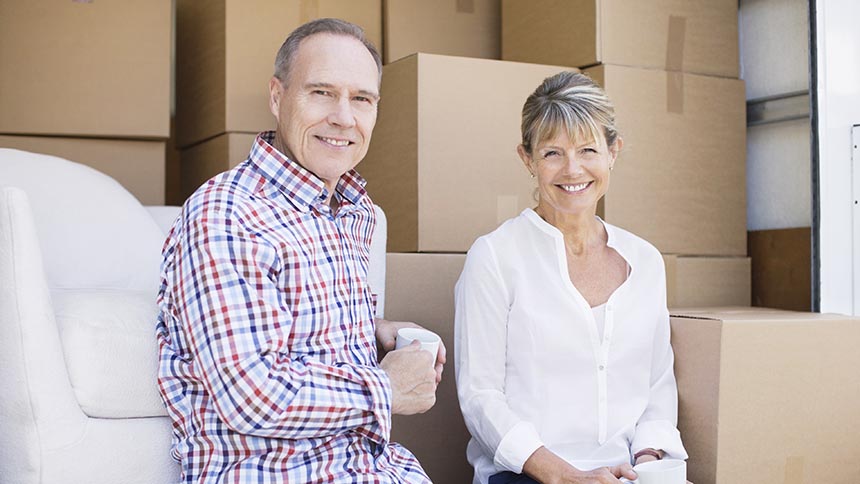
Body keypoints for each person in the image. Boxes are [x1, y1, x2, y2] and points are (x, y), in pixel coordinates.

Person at [156, 18, 444, 483]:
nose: (344, 118)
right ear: (276, 96)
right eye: (321, 92)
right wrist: (386, 388)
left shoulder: (356, 212)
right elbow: (252, 394)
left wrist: (375, 330)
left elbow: (293, 326)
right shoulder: (227, 212)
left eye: (362, 99)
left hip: (378, 468)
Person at [454, 71, 689, 484]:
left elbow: (657, 384)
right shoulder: (494, 256)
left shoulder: (646, 261)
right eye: (552, 154)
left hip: (625, 473)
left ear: (613, 152)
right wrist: (566, 477)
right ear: (527, 159)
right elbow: (480, 397)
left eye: (587, 149)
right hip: (527, 474)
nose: (572, 169)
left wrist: (650, 461)